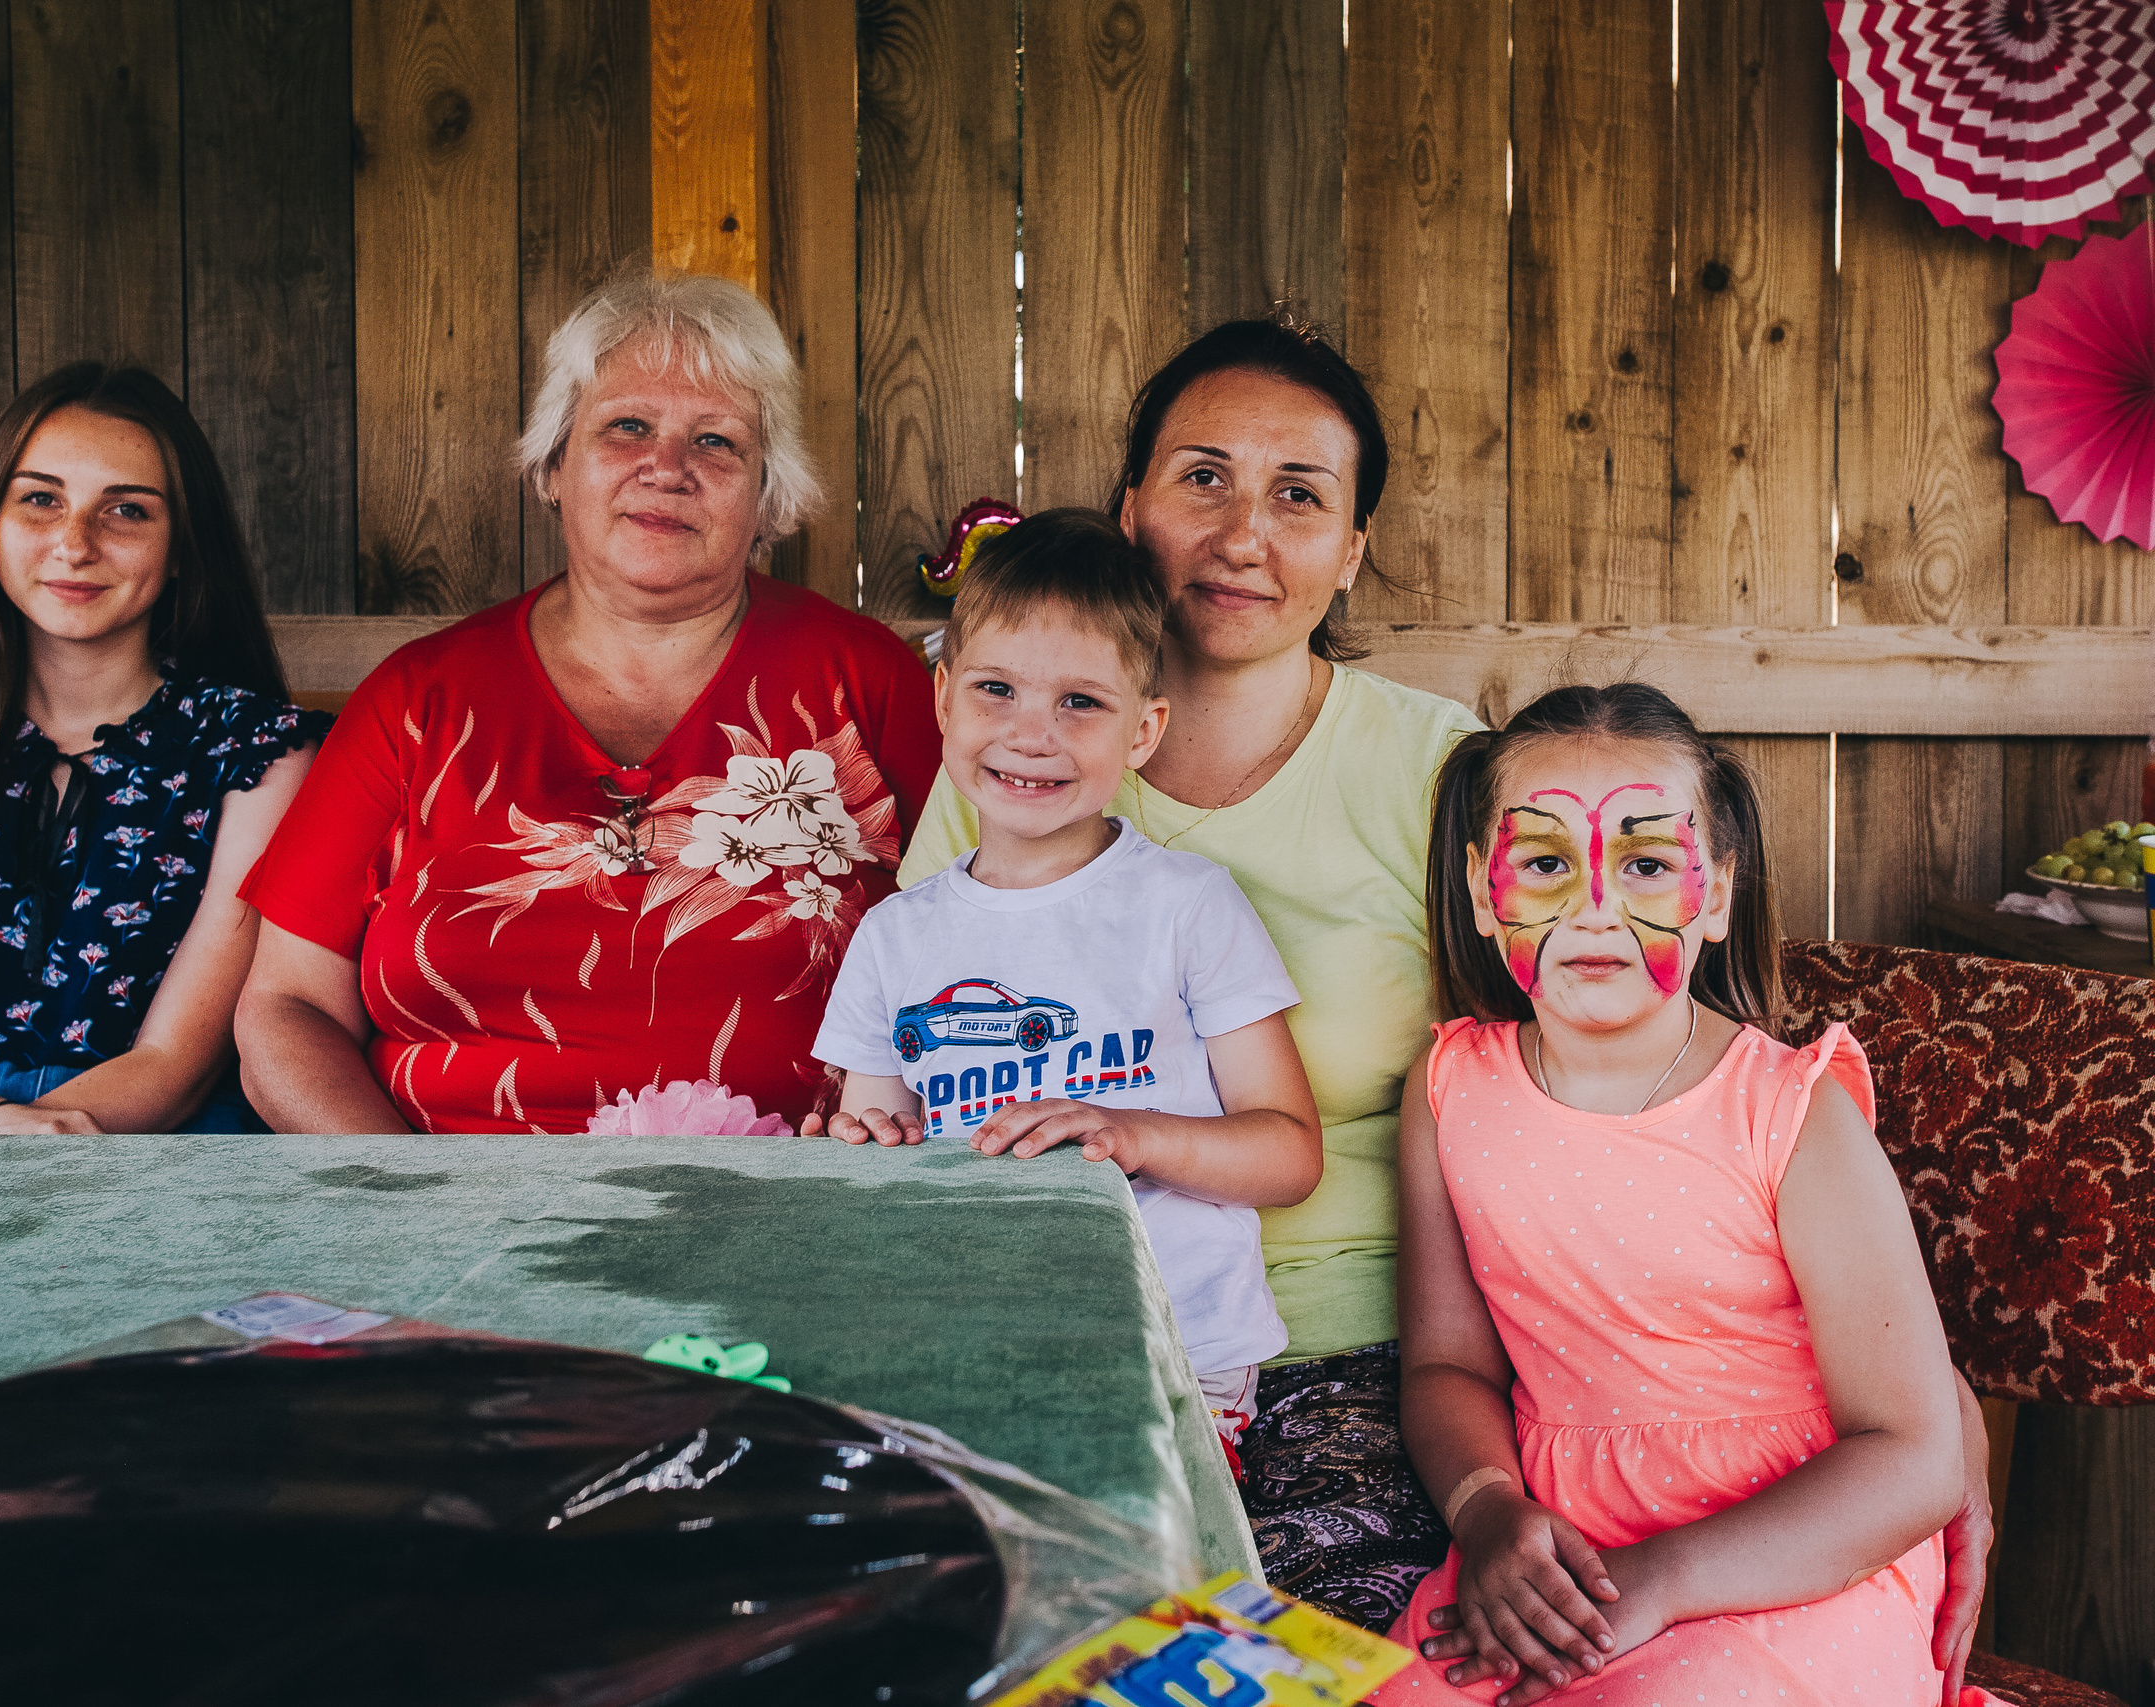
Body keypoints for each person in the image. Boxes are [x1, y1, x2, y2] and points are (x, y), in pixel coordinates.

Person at [899, 320, 1996, 1654]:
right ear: (1132, 508)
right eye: (1203, 477)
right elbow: (916, 1052)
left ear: (1351, 548)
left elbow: (1657, 1053)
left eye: (1299, 495)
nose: (1243, 533)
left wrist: (1924, 1404)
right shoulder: (1021, 757)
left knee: (1311, 1665)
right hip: (1053, 1329)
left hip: (1357, 1360)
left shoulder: (1442, 779)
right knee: (978, 1641)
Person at [1371, 682, 1999, 1707]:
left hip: (1797, 1552)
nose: (1593, 907)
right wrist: (1486, 1511)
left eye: (1647, 864)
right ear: (1484, 892)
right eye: (1544, 863)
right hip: (1561, 1543)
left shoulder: (1791, 1114)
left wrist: (1662, 1580)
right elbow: (1447, 1365)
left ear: (1714, 896)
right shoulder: (1449, 1091)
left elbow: (1915, 1457)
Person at [234, 269, 941, 1135]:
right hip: (453, 1197)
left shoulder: (866, 684)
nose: (667, 468)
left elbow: (1011, 921)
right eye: (627, 426)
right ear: (554, 465)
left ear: (767, 495)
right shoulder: (418, 702)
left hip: (800, 1190)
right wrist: (402, 1197)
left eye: (716, 441)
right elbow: (287, 1007)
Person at [810, 510, 1324, 1468]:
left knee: (1114, 1526)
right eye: (996, 689)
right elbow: (878, 1160)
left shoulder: (1188, 906)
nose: (1030, 734)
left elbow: (1290, 1154)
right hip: (965, 1344)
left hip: (1172, 1349)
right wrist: (863, 1148)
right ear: (944, 699)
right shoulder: (893, 939)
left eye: (1081, 702)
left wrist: (1133, 1134)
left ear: (1143, 730)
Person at [0, 363, 326, 1135]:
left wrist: (26, 1145)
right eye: (41, 499)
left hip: (149, 1151)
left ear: (182, 547)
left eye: (126, 510)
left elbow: (176, 1063)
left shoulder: (256, 753)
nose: (74, 544)